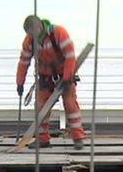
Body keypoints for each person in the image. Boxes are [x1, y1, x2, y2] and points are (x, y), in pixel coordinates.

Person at [16, 15, 85, 150]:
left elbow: (70, 56)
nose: (31, 37)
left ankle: (78, 138)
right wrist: (20, 82)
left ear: (39, 27)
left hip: (64, 74)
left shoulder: (59, 33)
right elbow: (23, 62)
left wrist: (66, 78)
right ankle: (42, 139)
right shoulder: (29, 41)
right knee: (40, 107)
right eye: (29, 34)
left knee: (70, 105)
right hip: (45, 78)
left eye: (32, 33)